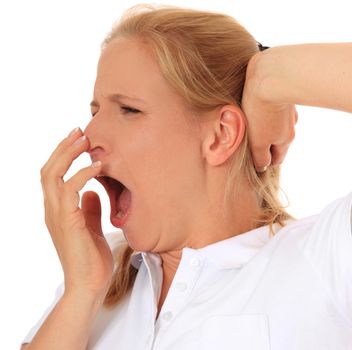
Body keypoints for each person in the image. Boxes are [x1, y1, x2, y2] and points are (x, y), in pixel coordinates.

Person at [20, 4, 351, 350]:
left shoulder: (324, 259)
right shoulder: (94, 287)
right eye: (95, 111)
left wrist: (267, 76)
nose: (90, 136)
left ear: (221, 134)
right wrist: (81, 291)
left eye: (129, 109)